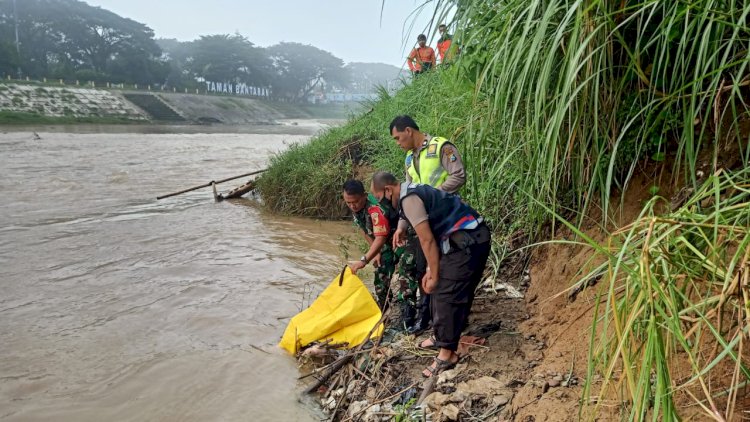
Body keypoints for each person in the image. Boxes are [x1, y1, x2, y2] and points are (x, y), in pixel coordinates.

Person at [371, 172, 491, 378]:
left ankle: (447, 355)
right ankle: (440, 336)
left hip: (469, 240)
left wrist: (434, 274)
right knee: (439, 289)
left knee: (446, 292)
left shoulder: (408, 199)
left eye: (381, 199)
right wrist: (430, 270)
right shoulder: (410, 193)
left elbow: (426, 240)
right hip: (459, 240)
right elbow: (431, 237)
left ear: (389, 190)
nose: (383, 205)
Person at [389, 115, 466, 335]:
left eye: (398, 138)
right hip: (423, 223)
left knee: (447, 266)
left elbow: (458, 175)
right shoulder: (408, 160)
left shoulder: (441, 146)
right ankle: (426, 317)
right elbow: (408, 194)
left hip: (446, 219)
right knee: (424, 267)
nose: (398, 143)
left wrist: (433, 196)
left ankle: (449, 317)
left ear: (408, 131)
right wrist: (402, 225)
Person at [342, 180, 399, 310]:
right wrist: (376, 252)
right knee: (380, 274)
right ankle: (384, 307)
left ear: (364, 196)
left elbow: (381, 237)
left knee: (395, 278)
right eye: (348, 202)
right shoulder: (356, 206)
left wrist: (364, 260)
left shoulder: (375, 209)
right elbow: (364, 230)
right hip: (383, 241)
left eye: (355, 202)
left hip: (397, 239)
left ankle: (394, 313)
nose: (352, 206)